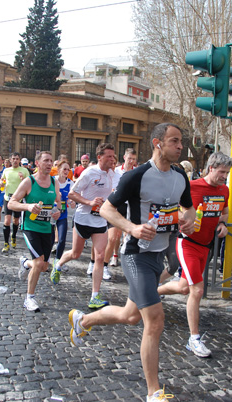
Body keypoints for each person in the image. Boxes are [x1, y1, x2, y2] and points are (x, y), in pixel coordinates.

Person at [68, 123, 195, 402]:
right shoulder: (137, 176)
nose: (180, 146)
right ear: (157, 143)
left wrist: (189, 219)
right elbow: (106, 209)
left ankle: (83, 319)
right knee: (155, 321)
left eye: (180, 141)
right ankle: (153, 392)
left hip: (159, 255)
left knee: (130, 316)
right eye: (174, 141)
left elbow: (189, 206)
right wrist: (132, 228)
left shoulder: (180, 174)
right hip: (136, 255)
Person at [158, 152, 230, 358]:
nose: (224, 176)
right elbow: (171, 209)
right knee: (197, 291)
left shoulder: (224, 189)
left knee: (183, 288)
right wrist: (183, 219)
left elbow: (223, 212)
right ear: (211, 169)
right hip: (187, 243)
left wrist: (223, 224)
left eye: (227, 172)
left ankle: (153, 291)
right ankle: (194, 339)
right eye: (222, 172)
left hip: (206, 246)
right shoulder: (192, 186)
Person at [50, 143, 116, 309]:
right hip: (83, 218)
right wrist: (89, 202)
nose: (112, 159)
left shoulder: (112, 174)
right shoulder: (89, 172)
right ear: (100, 157)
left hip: (100, 220)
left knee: (100, 256)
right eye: (109, 156)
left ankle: (94, 296)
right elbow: (72, 193)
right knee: (76, 253)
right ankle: (57, 265)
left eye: (113, 156)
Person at [8, 151, 61, 312]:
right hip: (30, 227)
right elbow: (11, 203)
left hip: (47, 227)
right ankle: (29, 298)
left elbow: (58, 203)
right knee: (39, 263)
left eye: (51, 161)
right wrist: (28, 206)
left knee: (44, 266)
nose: (49, 163)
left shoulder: (54, 181)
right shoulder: (28, 182)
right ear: (37, 163)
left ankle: (25, 263)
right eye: (46, 160)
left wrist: (57, 211)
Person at [106, 148, 138, 268]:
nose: (131, 161)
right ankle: (114, 256)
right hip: (118, 205)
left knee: (127, 234)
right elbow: (112, 187)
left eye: (134, 159)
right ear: (124, 157)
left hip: (131, 206)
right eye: (129, 158)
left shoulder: (137, 172)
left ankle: (127, 258)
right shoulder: (117, 171)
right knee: (115, 236)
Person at [1, 152, 30, 252]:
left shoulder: (24, 170)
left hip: (18, 199)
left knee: (16, 221)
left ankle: (13, 236)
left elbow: (29, 184)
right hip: (7, 198)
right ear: (10, 159)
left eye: (17, 159)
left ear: (20, 160)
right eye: (13, 158)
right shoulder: (7, 170)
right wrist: (1, 183)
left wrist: (23, 179)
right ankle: (6, 243)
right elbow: (2, 181)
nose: (15, 160)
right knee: (6, 221)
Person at [52, 161, 75, 263]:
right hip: (51, 214)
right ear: (59, 170)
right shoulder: (52, 181)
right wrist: (55, 198)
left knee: (61, 239)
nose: (66, 171)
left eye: (68, 169)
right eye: (64, 169)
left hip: (62, 214)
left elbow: (72, 198)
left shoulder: (70, 183)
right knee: (49, 239)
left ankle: (58, 261)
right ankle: (46, 259)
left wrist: (72, 202)